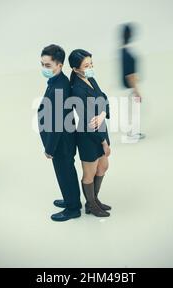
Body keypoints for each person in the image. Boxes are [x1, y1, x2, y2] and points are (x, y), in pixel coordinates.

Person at [38, 44, 82, 222]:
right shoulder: (56, 81)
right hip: (62, 140)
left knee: (65, 173)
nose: (43, 68)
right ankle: (70, 200)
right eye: (42, 64)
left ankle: (73, 209)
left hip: (60, 142)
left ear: (59, 65)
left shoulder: (60, 87)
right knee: (65, 173)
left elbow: (57, 123)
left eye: (47, 65)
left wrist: (49, 148)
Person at [68, 49, 111, 218]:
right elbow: (87, 119)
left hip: (100, 128)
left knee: (103, 166)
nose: (91, 67)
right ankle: (91, 205)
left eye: (91, 63)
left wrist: (102, 114)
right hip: (89, 136)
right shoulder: (77, 89)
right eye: (87, 65)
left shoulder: (90, 78)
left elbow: (104, 98)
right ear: (75, 69)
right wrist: (104, 142)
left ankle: (94, 199)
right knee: (90, 173)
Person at [120, 23, 145, 142]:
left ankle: (132, 132)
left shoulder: (122, 52)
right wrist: (137, 91)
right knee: (133, 112)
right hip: (130, 87)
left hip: (127, 87)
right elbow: (130, 75)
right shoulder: (128, 54)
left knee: (131, 111)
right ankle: (132, 133)